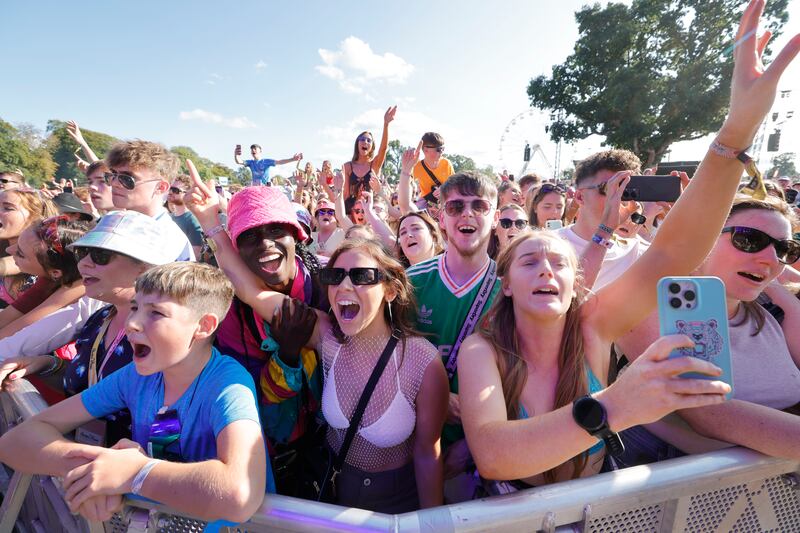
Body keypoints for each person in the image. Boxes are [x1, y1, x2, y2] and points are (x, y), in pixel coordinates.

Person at [457, 0, 798, 487]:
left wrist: (737, 129)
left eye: (559, 262)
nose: (547, 270)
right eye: (529, 261)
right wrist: (616, 403)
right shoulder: (483, 350)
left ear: (577, 283)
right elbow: (493, 454)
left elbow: (672, 252)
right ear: (506, 283)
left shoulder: (595, 326)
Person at [185, 171, 448, 512]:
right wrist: (212, 223)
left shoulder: (421, 361)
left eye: (363, 276)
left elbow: (429, 455)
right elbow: (249, 291)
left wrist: (432, 523)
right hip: (332, 498)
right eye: (335, 276)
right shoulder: (324, 335)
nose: (346, 286)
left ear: (391, 289)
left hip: (399, 504)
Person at [0, 262, 268, 523]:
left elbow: (238, 494)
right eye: (134, 308)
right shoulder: (137, 376)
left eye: (156, 313)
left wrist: (136, 474)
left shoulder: (229, 384)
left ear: (204, 326)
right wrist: (94, 471)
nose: (132, 323)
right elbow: (14, 443)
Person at [614, 195, 800, 465]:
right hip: (688, 494)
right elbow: (708, 413)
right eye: (749, 240)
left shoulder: (771, 313)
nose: (770, 259)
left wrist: (778, 290)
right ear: (705, 237)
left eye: (784, 250)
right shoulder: (649, 307)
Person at [0, 211, 187, 443]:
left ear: (145, 267)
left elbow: (174, 412)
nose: (84, 263)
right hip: (86, 463)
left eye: (100, 255)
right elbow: (90, 385)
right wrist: (48, 365)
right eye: (82, 252)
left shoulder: (167, 333)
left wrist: (148, 464)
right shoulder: (100, 318)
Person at [405, 171, 502, 492]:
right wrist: (434, 399)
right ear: (440, 218)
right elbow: (386, 358)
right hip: (413, 443)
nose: (467, 214)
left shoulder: (511, 287)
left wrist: (473, 443)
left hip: (483, 451)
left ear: (496, 217)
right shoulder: (411, 281)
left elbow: (525, 367)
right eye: (456, 206)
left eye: (479, 206)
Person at [555, 150, 650, 289]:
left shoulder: (636, 252)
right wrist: (606, 230)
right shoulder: (547, 244)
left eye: (624, 189)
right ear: (580, 197)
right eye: (608, 188)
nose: (616, 197)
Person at [0, 216, 92, 342]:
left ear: (55, 272)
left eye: (20, 253)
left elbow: (8, 334)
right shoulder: (51, 278)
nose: (9, 250)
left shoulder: (79, 287)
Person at [104, 140, 195, 261]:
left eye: (127, 178)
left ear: (160, 187)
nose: (115, 183)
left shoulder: (170, 241)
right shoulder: (115, 223)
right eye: (113, 174)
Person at [341, 106, 396, 214]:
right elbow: (346, 194)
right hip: (352, 210)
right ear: (357, 144)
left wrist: (386, 124)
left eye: (369, 140)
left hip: (371, 210)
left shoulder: (374, 165)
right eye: (362, 139)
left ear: (372, 146)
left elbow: (384, 149)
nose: (365, 142)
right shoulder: (347, 166)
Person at [411, 133, 454, 206]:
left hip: (445, 202)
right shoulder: (416, 167)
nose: (442, 152)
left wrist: (443, 189)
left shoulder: (447, 164)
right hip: (426, 203)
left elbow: (455, 185)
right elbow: (407, 186)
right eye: (439, 149)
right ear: (425, 150)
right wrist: (408, 166)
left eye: (443, 148)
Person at [167, 175, 204, 258]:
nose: (170, 192)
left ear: (187, 194)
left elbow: (195, 255)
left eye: (175, 190)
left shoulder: (193, 220)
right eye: (170, 188)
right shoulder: (169, 217)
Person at [234, 144, 302, 187]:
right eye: (252, 149)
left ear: (260, 151)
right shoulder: (250, 162)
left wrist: (292, 159)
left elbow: (279, 162)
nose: (253, 150)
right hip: (256, 188)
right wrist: (236, 155)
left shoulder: (266, 161)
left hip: (266, 187)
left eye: (255, 149)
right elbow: (239, 161)